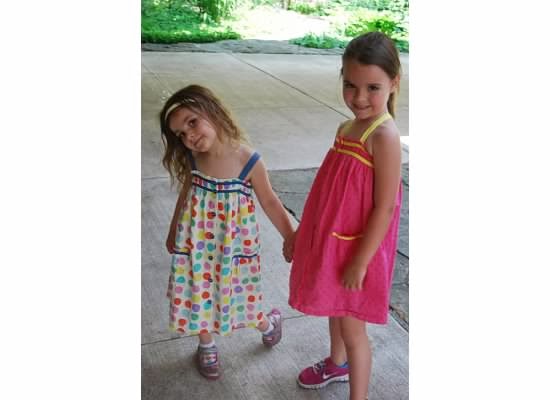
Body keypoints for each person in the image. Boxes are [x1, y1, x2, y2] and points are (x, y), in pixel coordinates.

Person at [284, 31, 403, 400]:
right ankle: (337, 364)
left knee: (353, 331)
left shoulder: (383, 136)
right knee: (333, 308)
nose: (359, 97)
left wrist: (361, 261)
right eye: (350, 85)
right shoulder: (346, 128)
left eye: (372, 87)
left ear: (394, 83)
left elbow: (385, 207)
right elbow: (326, 193)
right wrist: (301, 235)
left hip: (358, 251)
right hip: (335, 244)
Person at [160, 84, 295, 380]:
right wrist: (173, 231)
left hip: (232, 247)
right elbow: (185, 195)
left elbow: (270, 201)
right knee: (197, 292)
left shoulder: (248, 160)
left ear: (213, 111)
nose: (189, 136)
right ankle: (206, 345)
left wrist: (290, 235)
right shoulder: (193, 158)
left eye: (192, 122)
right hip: (195, 245)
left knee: (240, 293)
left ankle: (267, 325)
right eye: (180, 134)